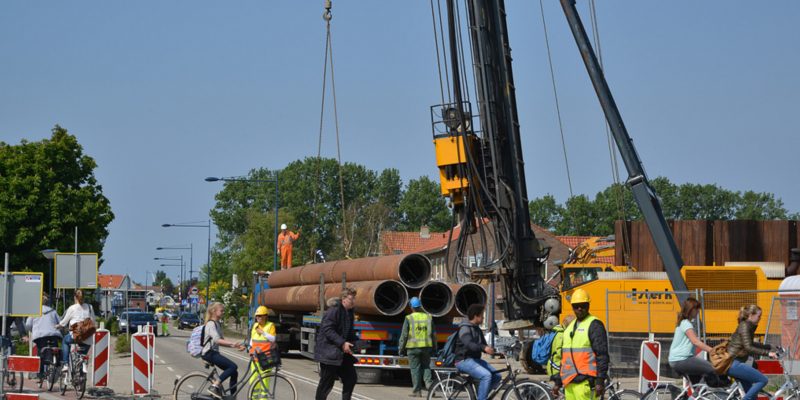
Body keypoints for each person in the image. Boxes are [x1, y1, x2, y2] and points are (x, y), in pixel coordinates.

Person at [553, 288, 609, 400]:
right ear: (572, 307)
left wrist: (600, 380)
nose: (579, 308)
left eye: (583, 305)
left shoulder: (594, 325)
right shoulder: (569, 328)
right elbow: (564, 359)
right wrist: (558, 382)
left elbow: (602, 355)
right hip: (569, 383)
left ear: (588, 305)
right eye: (576, 306)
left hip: (586, 383)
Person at [726, 304, 778, 400]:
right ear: (751, 315)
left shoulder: (748, 326)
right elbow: (749, 347)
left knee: (753, 396)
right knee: (762, 380)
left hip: (736, 362)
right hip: (734, 363)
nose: (760, 318)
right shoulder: (745, 326)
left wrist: (769, 347)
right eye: (759, 316)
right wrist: (768, 353)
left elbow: (750, 343)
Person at [314, 288, 358, 400]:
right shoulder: (334, 310)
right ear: (343, 299)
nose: (353, 301)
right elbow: (327, 329)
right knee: (326, 383)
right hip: (329, 352)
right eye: (351, 298)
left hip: (341, 354)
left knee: (351, 378)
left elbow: (348, 332)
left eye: (354, 298)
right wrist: (342, 343)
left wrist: (358, 342)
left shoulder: (350, 312)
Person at [454, 303, 500, 400]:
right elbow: (469, 344)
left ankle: (481, 395)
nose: (483, 318)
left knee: (497, 376)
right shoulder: (464, 328)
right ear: (476, 316)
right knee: (486, 375)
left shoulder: (477, 329)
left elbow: (484, 345)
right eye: (482, 316)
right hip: (463, 360)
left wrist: (495, 351)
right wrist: (483, 347)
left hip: (474, 360)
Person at [201, 302, 246, 399]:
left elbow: (222, 341)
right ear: (214, 311)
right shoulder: (210, 324)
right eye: (221, 310)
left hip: (213, 352)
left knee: (234, 372)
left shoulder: (217, 324)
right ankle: (215, 386)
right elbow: (217, 340)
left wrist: (236, 346)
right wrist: (232, 344)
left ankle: (232, 397)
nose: (223, 312)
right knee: (233, 366)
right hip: (209, 353)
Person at [398, 297, 437, 397]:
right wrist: (434, 348)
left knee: (415, 369)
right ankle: (429, 385)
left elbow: (404, 335)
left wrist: (401, 349)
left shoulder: (409, 318)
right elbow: (434, 335)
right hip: (426, 347)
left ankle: (417, 391)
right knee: (426, 367)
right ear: (420, 306)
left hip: (413, 348)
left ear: (411, 307)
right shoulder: (428, 317)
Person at [668, 297, 715, 380]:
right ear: (690, 309)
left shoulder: (683, 322)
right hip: (682, 359)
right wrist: (713, 351)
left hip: (678, 359)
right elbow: (696, 342)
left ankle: (693, 392)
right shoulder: (686, 323)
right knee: (713, 368)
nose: (698, 311)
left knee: (696, 384)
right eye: (696, 309)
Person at [23, 294, 63, 377]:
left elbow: (28, 325)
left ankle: (40, 374)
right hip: (53, 334)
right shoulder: (53, 311)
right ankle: (58, 365)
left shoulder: (35, 311)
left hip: (40, 336)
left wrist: (32, 330)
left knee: (41, 353)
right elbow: (60, 323)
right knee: (55, 349)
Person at [57, 289, 96, 372]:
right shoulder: (90, 307)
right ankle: (83, 361)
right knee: (82, 353)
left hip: (75, 335)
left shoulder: (72, 308)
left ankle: (66, 364)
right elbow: (93, 321)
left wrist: (58, 326)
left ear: (75, 297)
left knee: (65, 341)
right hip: (87, 338)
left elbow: (64, 322)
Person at [248, 306, 276, 395]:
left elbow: (273, 339)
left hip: (266, 358)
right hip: (255, 358)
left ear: (265, 316)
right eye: (257, 316)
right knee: (253, 381)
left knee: (264, 382)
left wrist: (263, 333)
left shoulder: (270, 325)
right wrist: (249, 348)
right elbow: (252, 340)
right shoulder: (255, 326)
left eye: (260, 316)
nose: (258, 318)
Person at [546, 315, 576, 383]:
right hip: (556, 366)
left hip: (558, 365)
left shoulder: (562, 333)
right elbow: (559, 351)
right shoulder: (561, 335)